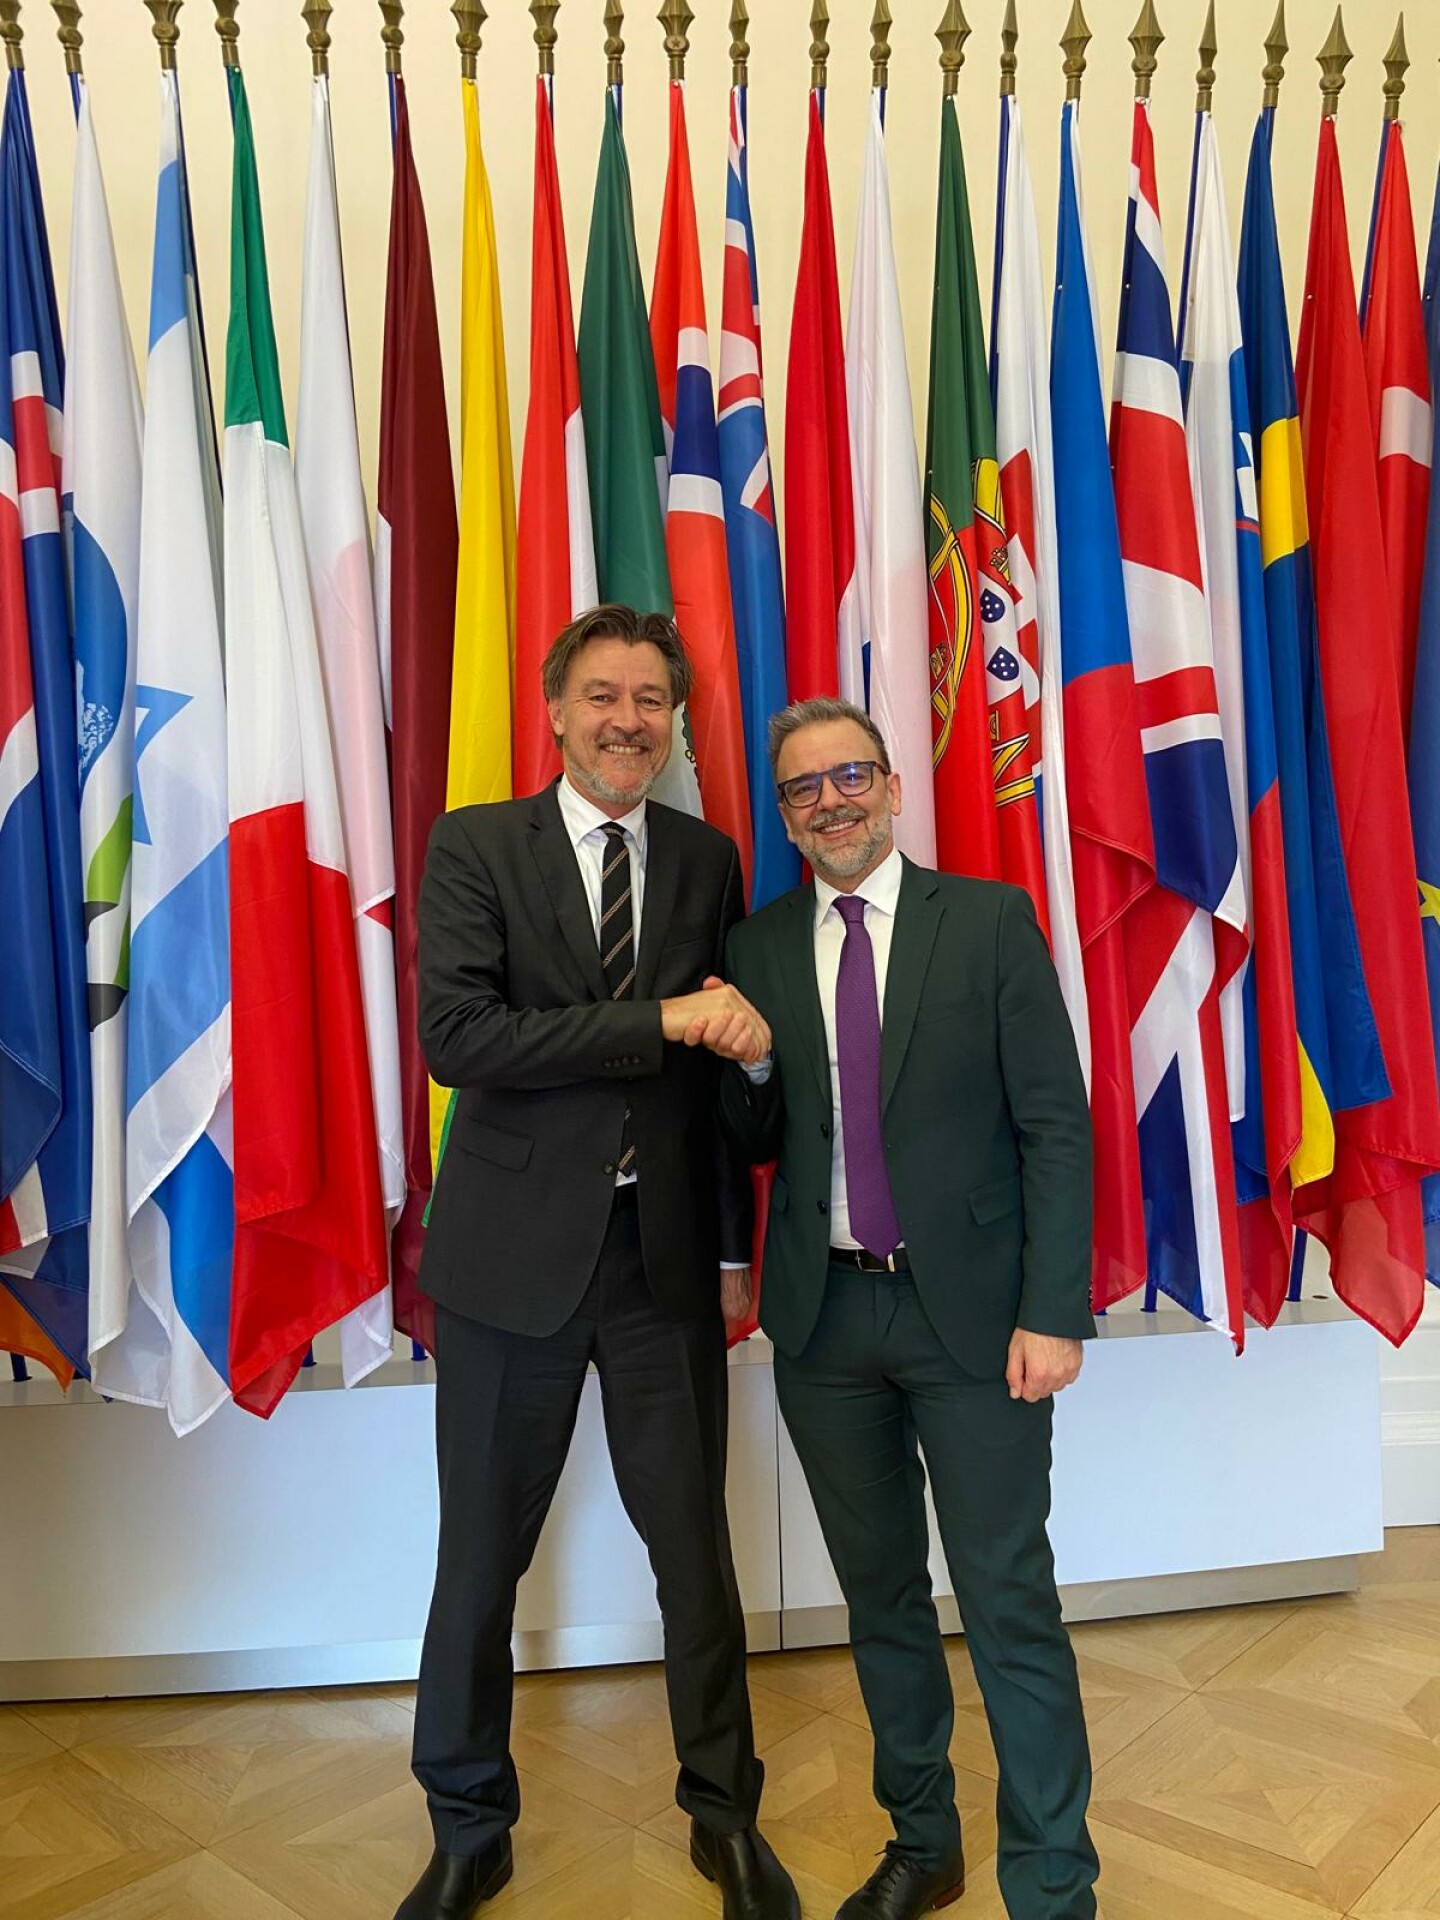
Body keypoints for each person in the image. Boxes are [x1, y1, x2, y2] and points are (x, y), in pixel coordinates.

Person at [396, 605, 798, 1920]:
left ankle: (725, 1818)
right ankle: (468, 1828)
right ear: (556, 712)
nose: (629, 721)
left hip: (662, 1264)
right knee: (479, 1561)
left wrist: (733, 1247)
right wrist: (659, 1018)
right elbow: (463, 1039)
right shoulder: (475, 845)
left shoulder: (706, 859)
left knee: (695, 1555)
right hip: (509, 1266)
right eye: (604, 697)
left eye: (651, 701)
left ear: (674, 722)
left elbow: (717, 1081)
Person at [711, 697, 1099, 1920]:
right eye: (802, 788)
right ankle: (924, 1845)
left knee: (1007, 1601)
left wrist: (1054, 1311)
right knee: (879, 1599)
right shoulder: (758, 944)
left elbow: (1055, 1124)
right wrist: (752, 1066)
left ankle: (1052, 1887)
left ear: (889, 786)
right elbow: (750, 1137)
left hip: (975, 1322)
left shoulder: (987, 921)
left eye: (849, 777)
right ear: (785, 815)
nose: (829, 802)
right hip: (826, 1325)